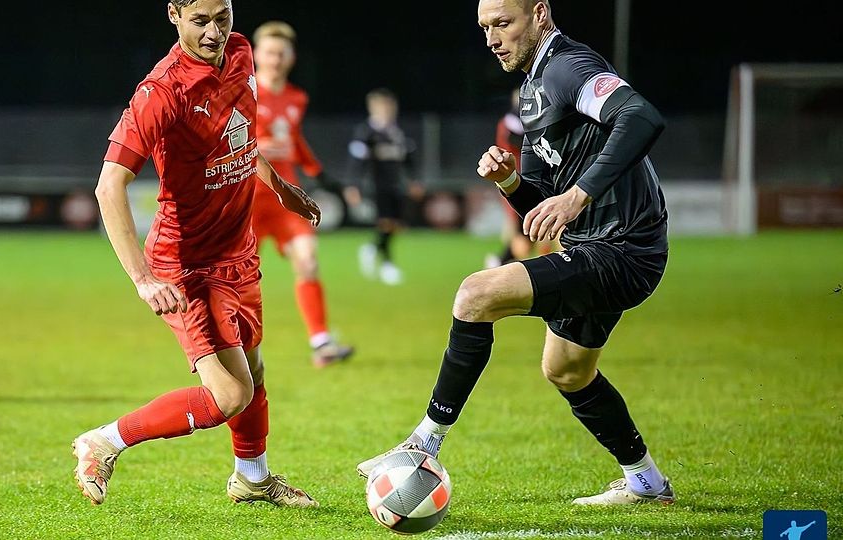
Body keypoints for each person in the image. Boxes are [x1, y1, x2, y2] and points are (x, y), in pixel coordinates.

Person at [358, 0, 674, 506]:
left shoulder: (568, 66)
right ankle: (647, 483)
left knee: (475, 294)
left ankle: (424, 442)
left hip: (624, 247)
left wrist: (579, 195)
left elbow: (640, 116)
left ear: (541, 15)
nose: (492, 38)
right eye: (485, 28)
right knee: (567, 369)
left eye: (503, 23)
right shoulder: (530, 95)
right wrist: (509, 181)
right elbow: (539, 205)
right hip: (595, 245)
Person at [73, 0, 321, 508]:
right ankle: (104, 441)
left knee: (254, 372)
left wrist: (278, 186)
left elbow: (241, 140)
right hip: (187, 267)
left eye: (223, 17)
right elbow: (108, 187)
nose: (214, 32)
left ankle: (252, 479)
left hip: (239, 251)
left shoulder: (241, 53)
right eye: (201, 20)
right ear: (174, 15)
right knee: (230, 396)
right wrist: (144, 279)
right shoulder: (160, 93)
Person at [250, 20, 354, 368]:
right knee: (241, 276)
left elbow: (295, 142)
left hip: (286, 197)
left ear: (291, 57)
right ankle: (233, 347)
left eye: (281, 53)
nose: (275, 59)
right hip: (246, 197)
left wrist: (323, 177)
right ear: (255, 54)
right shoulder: (242, 91)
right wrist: (259, 146)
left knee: (308, 260)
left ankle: (321, 342)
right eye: (269, 52)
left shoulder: (297, 98)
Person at [345, 88, 423, 286]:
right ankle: (388, 264)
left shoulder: (397, 132)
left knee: (397, 225)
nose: (387, 110)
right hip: (377, 184)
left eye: (390, 107)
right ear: (373, 108)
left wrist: (414, 180)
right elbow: (357, 161)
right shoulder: (367, 133)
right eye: (383, 107)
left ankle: (372, 248)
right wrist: (354, 185)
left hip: (397, 184)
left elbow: (407, 158)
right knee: (386, 222)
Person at [485, 89, 556, 269]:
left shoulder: (514, 120)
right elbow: (520, 140)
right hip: (519, 179)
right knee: (528, 228)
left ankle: (503, 261)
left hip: (523, 178)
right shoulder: (513, 121)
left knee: (530, 228)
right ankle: (503, 262)